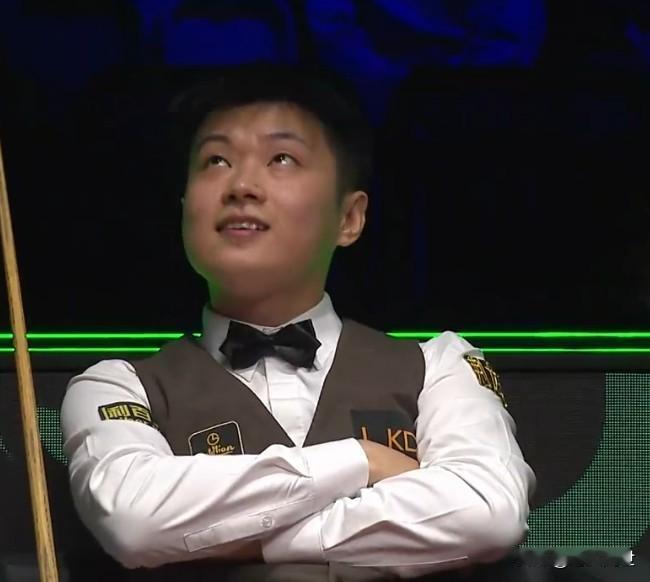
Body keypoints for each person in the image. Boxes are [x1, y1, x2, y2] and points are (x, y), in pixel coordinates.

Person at [61, 64, 535, 581]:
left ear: (349, 219)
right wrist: (361, 460)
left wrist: (247, 539)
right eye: (216, 160)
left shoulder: (440, 365)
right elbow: (135, 521)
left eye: (281, 159)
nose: (241, 185)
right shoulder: (115, 385)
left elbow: (486, 512)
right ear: (183, 212)